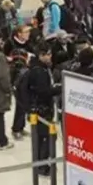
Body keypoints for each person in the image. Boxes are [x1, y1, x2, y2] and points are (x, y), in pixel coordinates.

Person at [24, 46, 57, 175]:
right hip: (41, 110)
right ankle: (42, 166)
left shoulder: (37, 68)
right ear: (41, 55)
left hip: (38, 108)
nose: (50, 57)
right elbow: (44, 92)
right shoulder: (39, 72)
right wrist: (57, 89)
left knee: (41, 138)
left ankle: (40, 163)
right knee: (45, 138)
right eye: (48, 54)